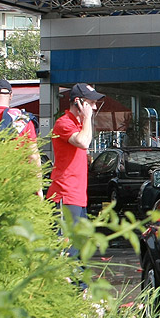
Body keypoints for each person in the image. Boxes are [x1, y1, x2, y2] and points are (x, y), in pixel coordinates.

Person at [46, 83, 104, 227]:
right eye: (91, 103)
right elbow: (83, 142)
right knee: (67, 247)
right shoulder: (64, 123)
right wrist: (87, 118)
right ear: (78, 102)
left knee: (78, 247)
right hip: (65, 195)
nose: (94, 108)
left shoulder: (79, 125)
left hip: (78, 197)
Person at [0, 79, 43, 197]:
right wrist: (38, 188)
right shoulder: (23, 120)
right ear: (11, 96)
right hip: (18, 182)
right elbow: (33, 155)